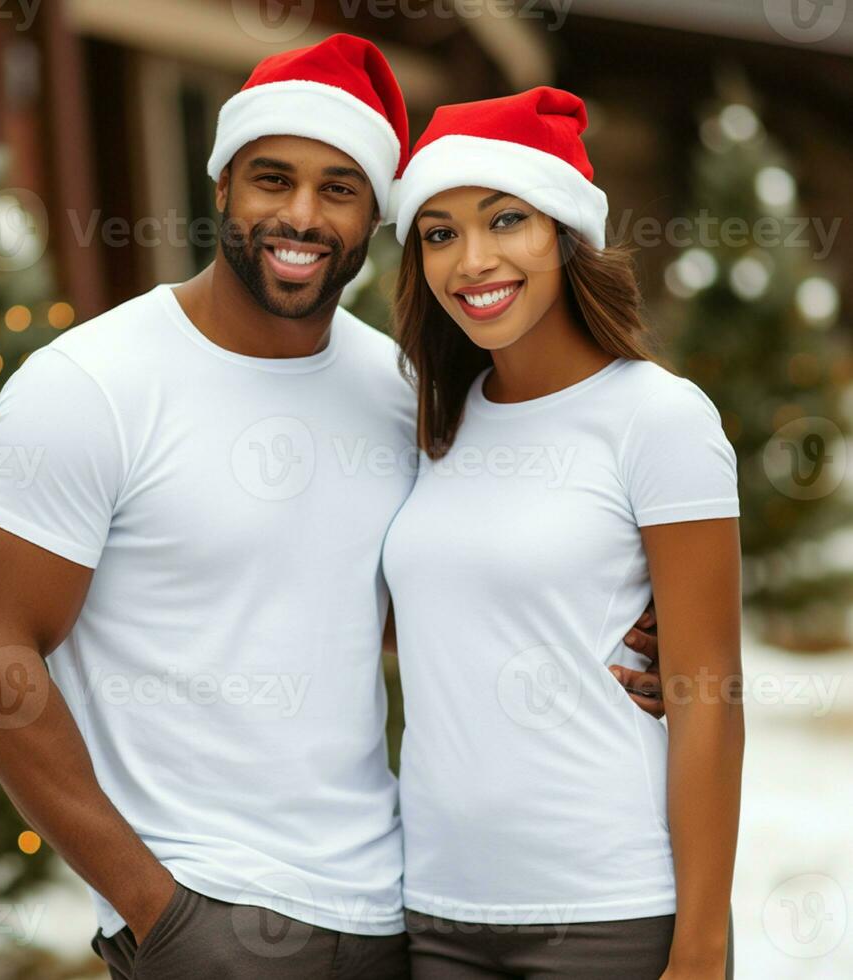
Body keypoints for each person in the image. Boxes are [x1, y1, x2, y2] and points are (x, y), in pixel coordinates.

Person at [0, 36, 663, 980]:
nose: (300, 214)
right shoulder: (91, 383)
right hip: (206, 913)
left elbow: (436, 595)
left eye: (339, 188)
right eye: (271, 179)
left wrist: (627, 631)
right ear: (221, 190)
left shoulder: (404, 390)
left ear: (374, 215)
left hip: (401, 913)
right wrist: (155, 911)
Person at [382, 87, 744, 979]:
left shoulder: (658, 418)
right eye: (439, 232)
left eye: (506, 220)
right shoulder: (434, 419)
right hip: (437, 912)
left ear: (565, 233)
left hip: (610, 912)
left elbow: (709, 696)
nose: (473, 260)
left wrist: (698, 950)